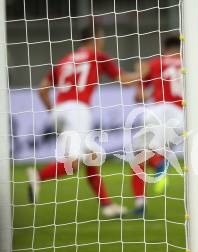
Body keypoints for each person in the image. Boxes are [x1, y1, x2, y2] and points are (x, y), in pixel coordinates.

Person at [26, 24, 139, 218]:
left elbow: (42, 89)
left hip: (59, 111)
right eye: (102, 38)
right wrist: (144, 73)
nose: (103, 42)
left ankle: (107, 206)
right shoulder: (98, 56)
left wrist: (55, 111)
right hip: (78, 110)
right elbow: (125, 81)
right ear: (96, 38)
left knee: (92, 156)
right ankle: (38, 176)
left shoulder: (65, 60)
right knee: (74, 163)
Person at [130, 35, 185, 215]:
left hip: (160, 111)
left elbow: (140, 95)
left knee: (139, 155)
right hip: (181, 116)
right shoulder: (188, 63)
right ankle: (160, 163)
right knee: (151, 151)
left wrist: (139, 84)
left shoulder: (155, 63)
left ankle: (140, 203)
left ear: (164, 48)